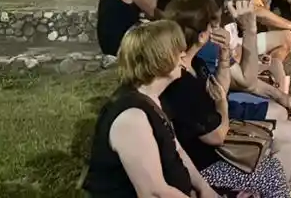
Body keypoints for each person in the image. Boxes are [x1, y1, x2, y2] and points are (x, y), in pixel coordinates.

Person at [182, 0, 291, 187]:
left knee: (280, 109)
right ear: (229, 3)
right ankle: (276, 185)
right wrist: (250, 28)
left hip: (214, 109)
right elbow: (245, 82)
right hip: (210, 125)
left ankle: (274, 179)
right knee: (289, 131)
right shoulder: (207, 37)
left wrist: (279, 94)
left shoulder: (214, 24)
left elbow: (236, 77)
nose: (251, 2)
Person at [161, 0, 291, 198]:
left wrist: (223, 59)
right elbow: (216, 136)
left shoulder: (194, 63)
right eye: (213, 25)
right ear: (204, 35)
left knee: (271, 159)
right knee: (271, 171)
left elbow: (219, 90)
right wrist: (222, 105)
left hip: (211, 150)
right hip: (202, 167)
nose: (218, 28)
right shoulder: (181, 81)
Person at [83, 20, 219, 198]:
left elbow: (176, 149)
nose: (183, 55)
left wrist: (206, 189)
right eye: (177, 51)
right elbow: (153, 193)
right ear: (159, 59)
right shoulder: (132, 118)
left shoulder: (153, 97)